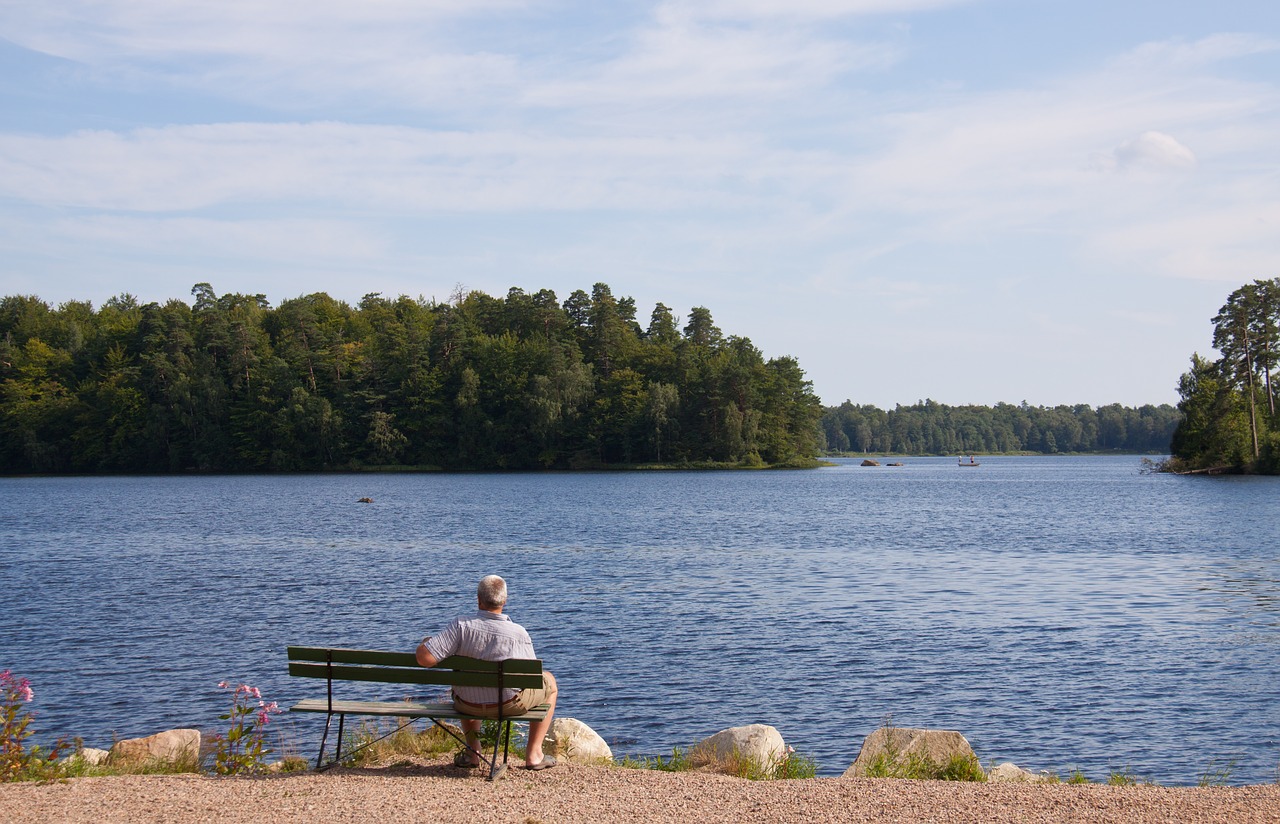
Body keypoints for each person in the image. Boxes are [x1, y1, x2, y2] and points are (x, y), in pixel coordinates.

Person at [415, 575, 559, 770]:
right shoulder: (518, 633)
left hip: (466, 704)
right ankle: (534, 754)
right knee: (549, 681)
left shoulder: (460, 626)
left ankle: (473, 752)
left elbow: (425, 659)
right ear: (504, 601)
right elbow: (530, 678)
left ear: (478, 599)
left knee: (468, 685)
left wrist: (426, 642)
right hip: (507, 705)